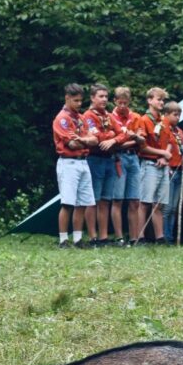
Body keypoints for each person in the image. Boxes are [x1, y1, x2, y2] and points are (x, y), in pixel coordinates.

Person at [52, 83, 98, 248]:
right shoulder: (62, 118)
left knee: (83, 203)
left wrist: (84, 141)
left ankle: (78, 239)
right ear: (67, 98)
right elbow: (72, 144)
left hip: (83, 162)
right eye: (76, 100)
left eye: (80, 101)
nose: (79, 104)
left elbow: (95, 139)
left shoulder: (81, 118)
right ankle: (63, 240)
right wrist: (87, 141)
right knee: (68, 203)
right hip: (68, 163)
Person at [133, 87, 173, 245]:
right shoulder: (143, 120)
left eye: (163, 100)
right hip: (149, 164)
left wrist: (165, 156)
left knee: (159, 203)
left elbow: (170, 141)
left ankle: (160, 237)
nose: (161, 102)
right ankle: (140, 236)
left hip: (163, 165)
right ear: (149, 100)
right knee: (145, 202)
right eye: (158, 99)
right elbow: (142, 146)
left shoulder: (164, 120)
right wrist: (162, 153)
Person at [82, 84, 120, 246]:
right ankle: (93, 236)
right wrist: (110, 134)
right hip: (94, 159)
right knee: (93, 199)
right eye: (100, 96)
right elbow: (96, 138)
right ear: (92, 98)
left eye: (106, 96)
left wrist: (113, 139)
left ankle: (104, 237)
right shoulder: (88, 116)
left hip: (109, 160)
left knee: (105, 200)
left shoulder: (109, 116)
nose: (104, 99)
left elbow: (122, 134)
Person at [109, 86, 143, 247]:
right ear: (114, 101)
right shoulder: (110, 117)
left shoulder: (136, 117)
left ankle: (134, 237)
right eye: (119, 102)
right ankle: (119, 237)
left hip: (134, 158)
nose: (122, 106)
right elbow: (113, 144)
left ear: (129, 101)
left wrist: (129, 141)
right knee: (118, 199)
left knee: (134, 200)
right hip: (118, 158)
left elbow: (142, 140)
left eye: (125, 102)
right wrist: (132, 140)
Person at [160, 101, 183, 242]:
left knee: (175, 207)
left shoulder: (179, 131)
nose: (177, 118)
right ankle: (164, 236)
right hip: (168, 169)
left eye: (179, 115)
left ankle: (170, 236)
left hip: (179, 169)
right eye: (175, 115)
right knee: (167, 207)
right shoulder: (163, 128)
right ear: (166, 114)